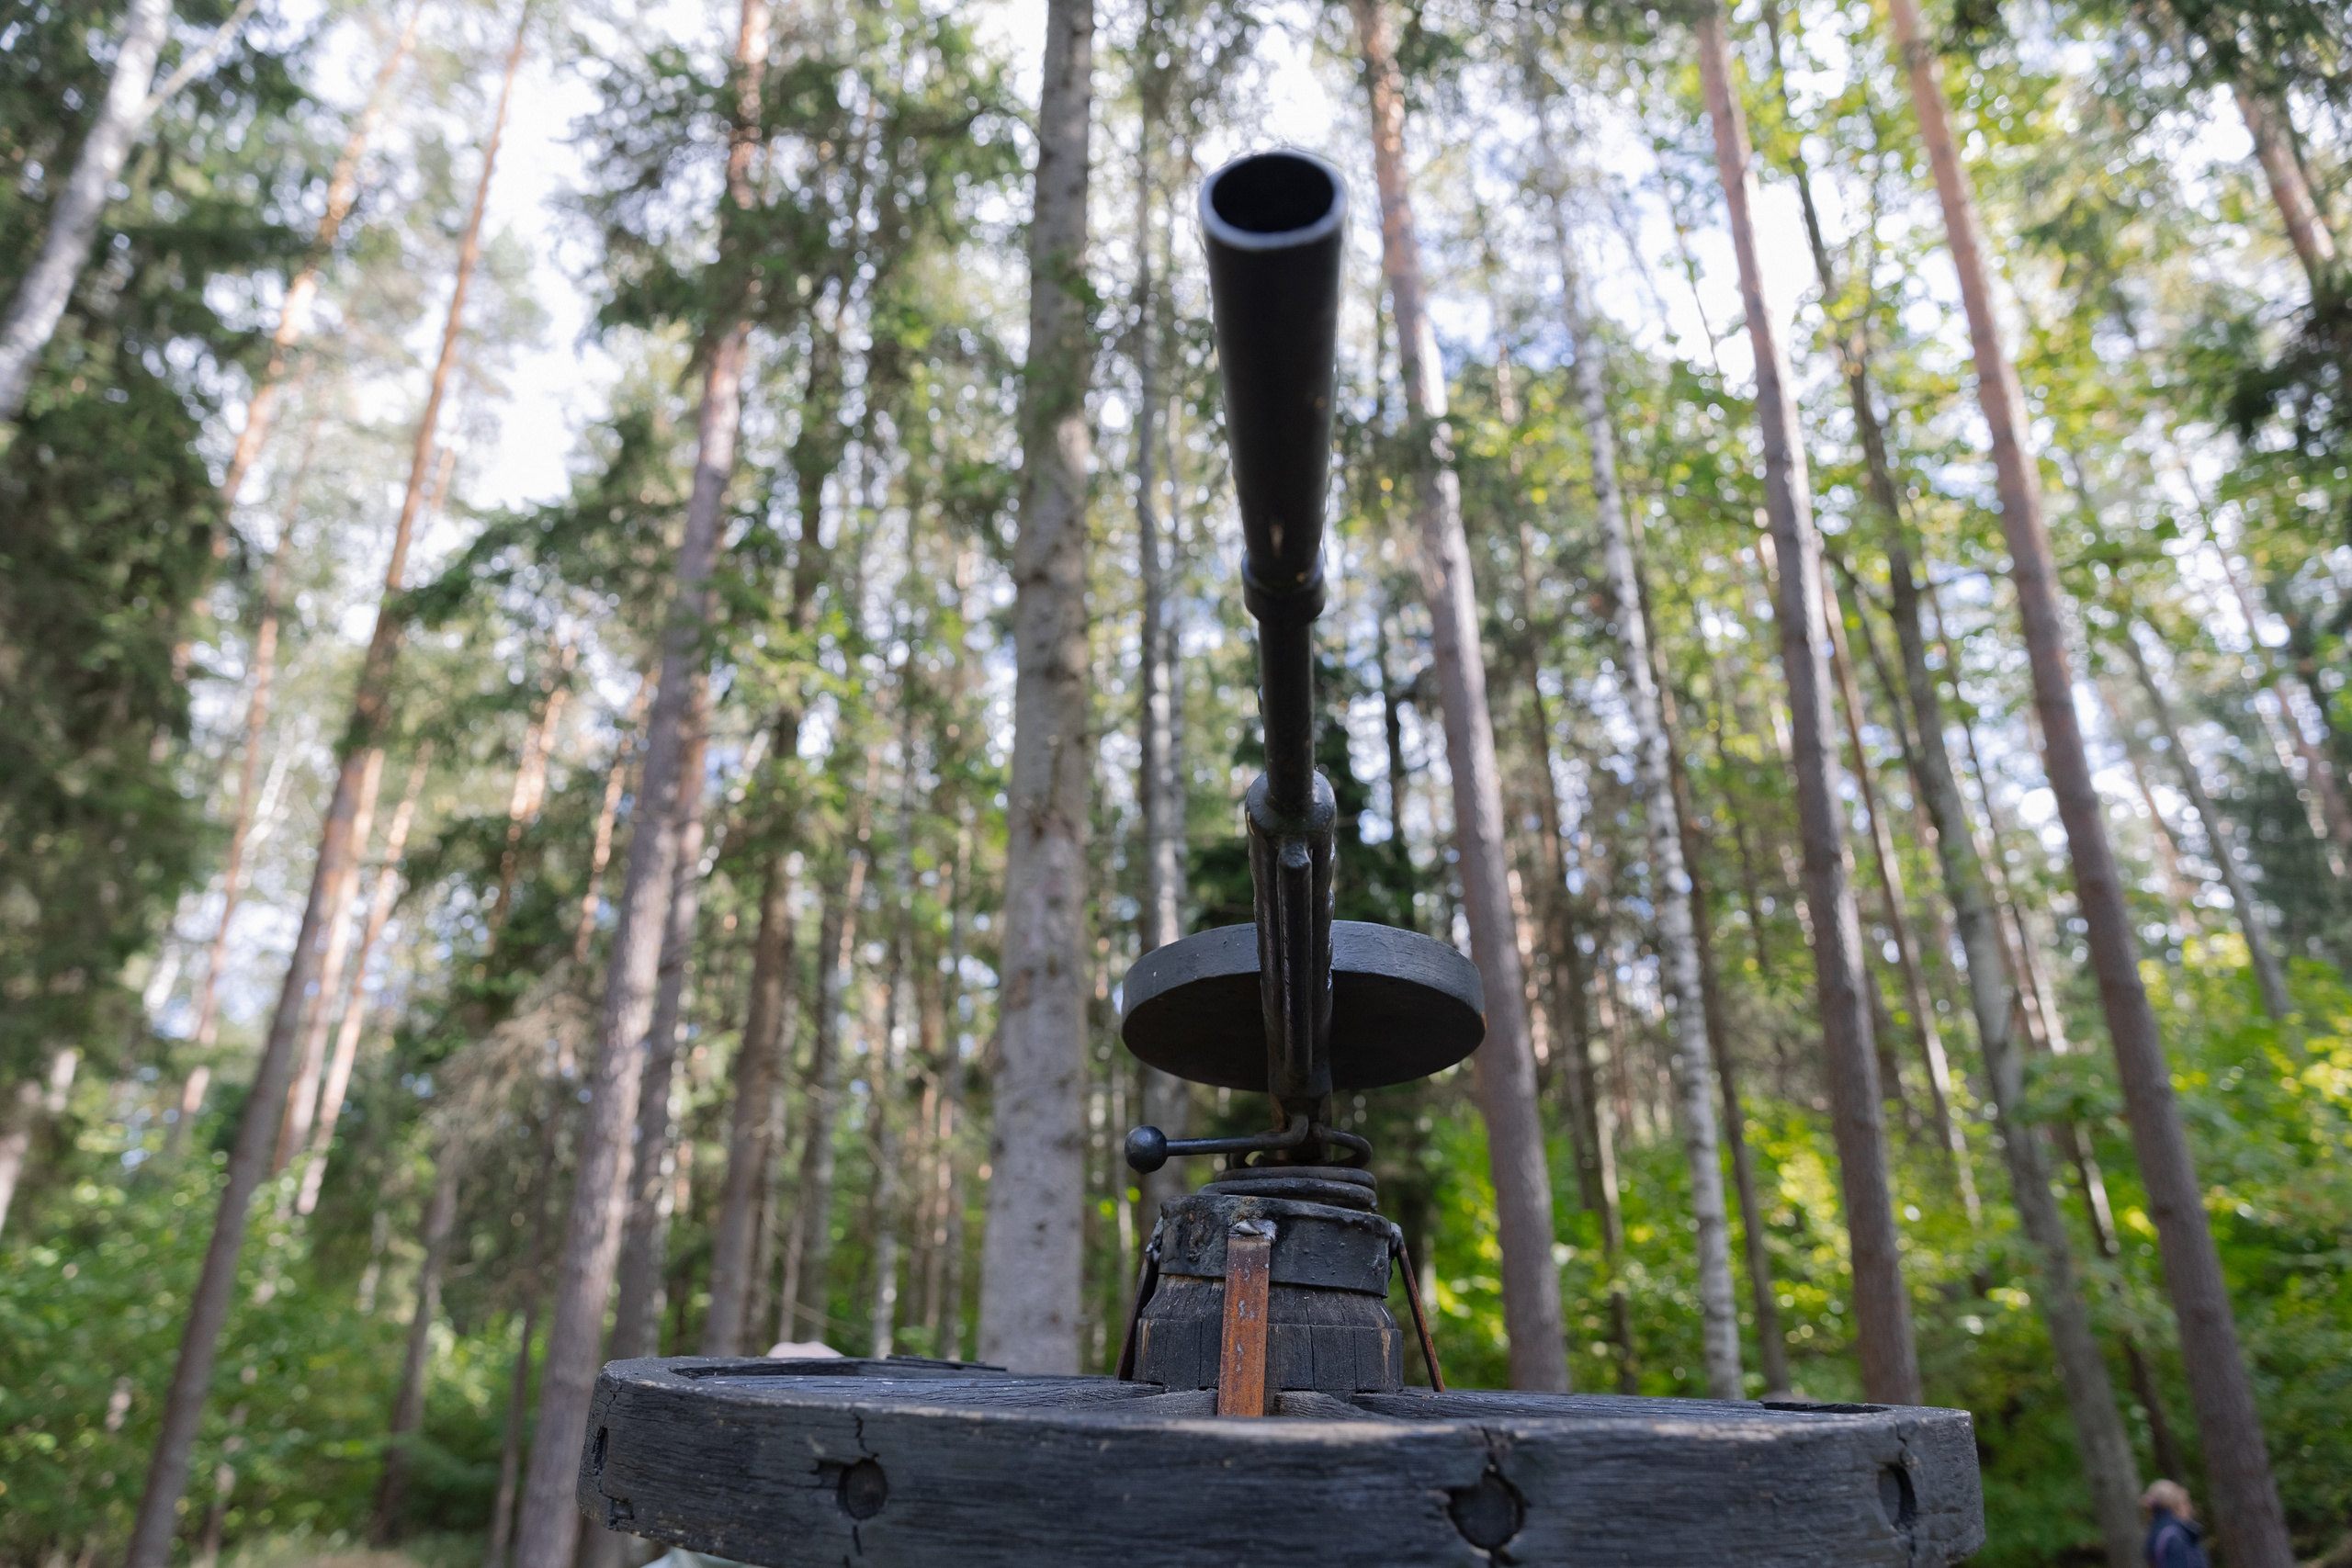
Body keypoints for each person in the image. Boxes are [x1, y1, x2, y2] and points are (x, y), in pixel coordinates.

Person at [2143, 1480, 2209, 1568]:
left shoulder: (2157, 1531)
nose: (2190, 1508)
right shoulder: (2174, 1536)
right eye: (2185, 1503)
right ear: (2176, 1507)